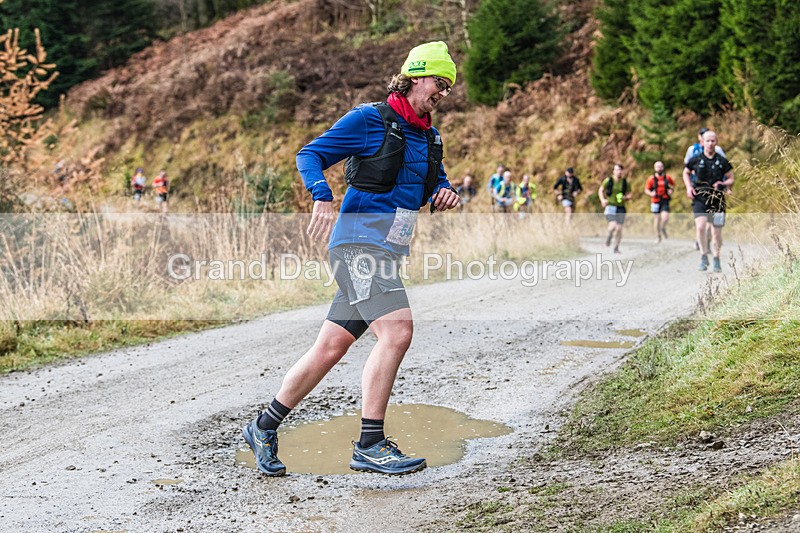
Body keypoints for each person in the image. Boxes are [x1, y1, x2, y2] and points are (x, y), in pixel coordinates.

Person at [241, 41, 460, 477]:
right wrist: (322, 197)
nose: (444, 93)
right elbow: (310, 154)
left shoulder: (429, 134)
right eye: (440, 83)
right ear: (417, 75)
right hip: (357, 245)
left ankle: (263, 426)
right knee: (397, 332)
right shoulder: (370, 119)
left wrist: (447, 191)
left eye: (449, 88)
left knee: (330, 346)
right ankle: (370, 443)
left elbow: (436, 179)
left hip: (388, 250)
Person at [683, 130, 734, 272]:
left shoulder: (722, 160)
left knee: (716, 233)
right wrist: (688, 187)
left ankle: (716, 258)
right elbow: (685, 172)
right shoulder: (696, 159)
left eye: (713, 141)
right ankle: (703, 256)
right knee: (700, 227)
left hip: (717, 199)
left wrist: (724, 184)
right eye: (708, 141)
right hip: (700, 198)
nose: (710, 143)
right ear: (702, 142)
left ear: (716, 142)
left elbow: (731, 177)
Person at [598, 163, 632, 254]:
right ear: (613, 171)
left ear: (623, 171)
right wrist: (602, 200)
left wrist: (626, 198)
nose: (618, 172)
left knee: (619, 229)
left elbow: (630, 193)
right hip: (610, 206)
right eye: (616, 170)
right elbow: (601, 190)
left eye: (620, 170)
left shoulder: (625, 182)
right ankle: (609, 237)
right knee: (613, 226)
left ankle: (616, 248)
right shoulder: (608, 180)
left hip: (621, 207)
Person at [644, 161, 675, 243]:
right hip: (655, 201)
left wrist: (671, 190)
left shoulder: (667, 178)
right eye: (657, 167)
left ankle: (663, 227)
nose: (659, 168)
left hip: (665, 200)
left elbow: (673, 185)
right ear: (654, 168)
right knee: (657, 219)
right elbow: (646, 189)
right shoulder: (651, 179)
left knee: (665, 217)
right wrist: (651, 193)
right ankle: (658, 236)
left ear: (663, 167)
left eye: (661, 166)